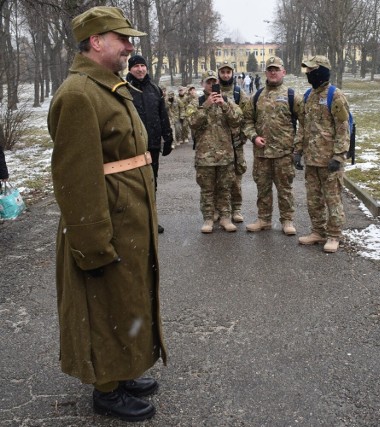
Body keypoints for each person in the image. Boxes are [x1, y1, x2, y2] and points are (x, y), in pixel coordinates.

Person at [47, 6, 167, 422]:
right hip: (105, 222)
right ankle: (106, 388)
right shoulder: (79, 94)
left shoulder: (108, 86)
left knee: (127, 299)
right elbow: (75, 178)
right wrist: (92, 244)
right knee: (102, 304)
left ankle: (123, 370)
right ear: (96, 42)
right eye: (123, 39)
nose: (130, 48)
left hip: (127, 216)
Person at [243, 56, 304, 235]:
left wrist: (297, 148)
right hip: (261, 154)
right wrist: (253, 137)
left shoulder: (292, 96)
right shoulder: (256, 96)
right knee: (263, 189)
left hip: (284, 154)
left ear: (283, 72)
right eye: (270, 69)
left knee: (285, 190)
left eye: (276, 69)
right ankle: (264, 219)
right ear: (266, 73)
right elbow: (247, 122)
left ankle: (287, 220)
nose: (273, 72)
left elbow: (304, 123)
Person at [297, 55, 350, 253]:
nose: (309, 74)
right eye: (307, 71)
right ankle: (317, 231)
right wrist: (298, 151)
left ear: (322, 71)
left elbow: (343, 128)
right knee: (314, 199)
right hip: (312, 159)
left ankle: (334, 235)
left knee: (332, 198)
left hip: (329, 160)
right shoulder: (308, 95)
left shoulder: (335, 96)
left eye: (312, 70)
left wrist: (338, 156)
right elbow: (303, 126)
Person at [187, 70, 243, 233]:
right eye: (208, 82)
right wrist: (205, 106)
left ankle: (225, 217)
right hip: (205, 156)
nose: (211, 85)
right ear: (202, 84)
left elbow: (237, 120)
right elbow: (192, 122)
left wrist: (224, 106)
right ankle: (208, 218)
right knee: (207, 189)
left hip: (225, 155)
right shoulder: (195, 102)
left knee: (225, 188)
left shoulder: (227, 100)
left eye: (214, 82)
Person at [126, 54, 173, 234]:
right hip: (132, 146)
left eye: (142, 66)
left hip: (152, 145)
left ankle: (151, 220)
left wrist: (167, 137)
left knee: (152, 182)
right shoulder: (125, 89)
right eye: (136, 66)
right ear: (130, 69)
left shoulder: (154, 89)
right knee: (133, 184)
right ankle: (134, 221)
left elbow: (163, 115)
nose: (140, 69)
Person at [218, 61, 249, 223]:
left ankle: (236, 208)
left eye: (228, 72)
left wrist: (242, 137)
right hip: (216, 144)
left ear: (232, 73)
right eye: (223, 72)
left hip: (235, 144)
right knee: (218, 178)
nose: (225, 75)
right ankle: (219, 209)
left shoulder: (239, 93)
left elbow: (247, 117)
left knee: (236, 178)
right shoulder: (212, 91)